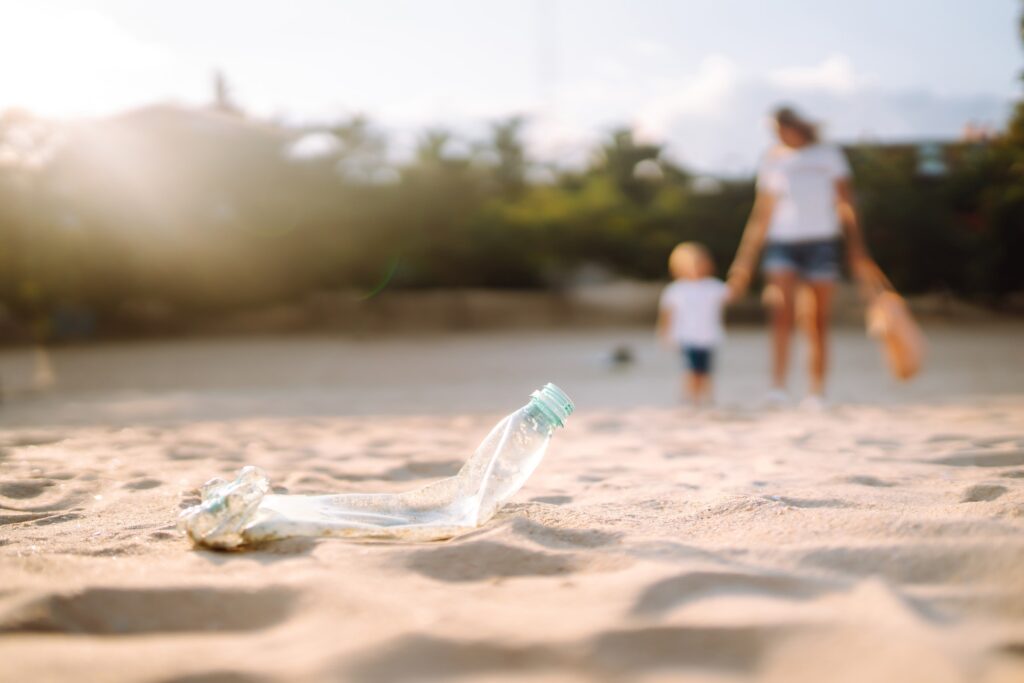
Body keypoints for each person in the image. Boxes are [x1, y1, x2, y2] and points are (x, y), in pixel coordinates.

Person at [728, 106, 878, 407]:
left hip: (822, 242)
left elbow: (846, 204)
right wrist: (744, 260)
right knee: (781, 315)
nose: (778, 135)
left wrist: (857, 250)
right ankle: (778, 388)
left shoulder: (828, 155)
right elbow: (763, 213)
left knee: (817, 320)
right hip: (782, 243)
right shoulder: (773, 160)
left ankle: (816, 391)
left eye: (781, 129)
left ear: (795, 126)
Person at [657, 242, 739, 405]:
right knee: (692, 370)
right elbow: (667, 315)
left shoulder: (713, 286)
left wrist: (741, 274)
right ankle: (691, 397)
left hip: (708, 337)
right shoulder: (675, 290)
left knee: (707, 370)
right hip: (687, 337)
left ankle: (707, 397)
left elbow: (732, 295)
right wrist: (665, 334)